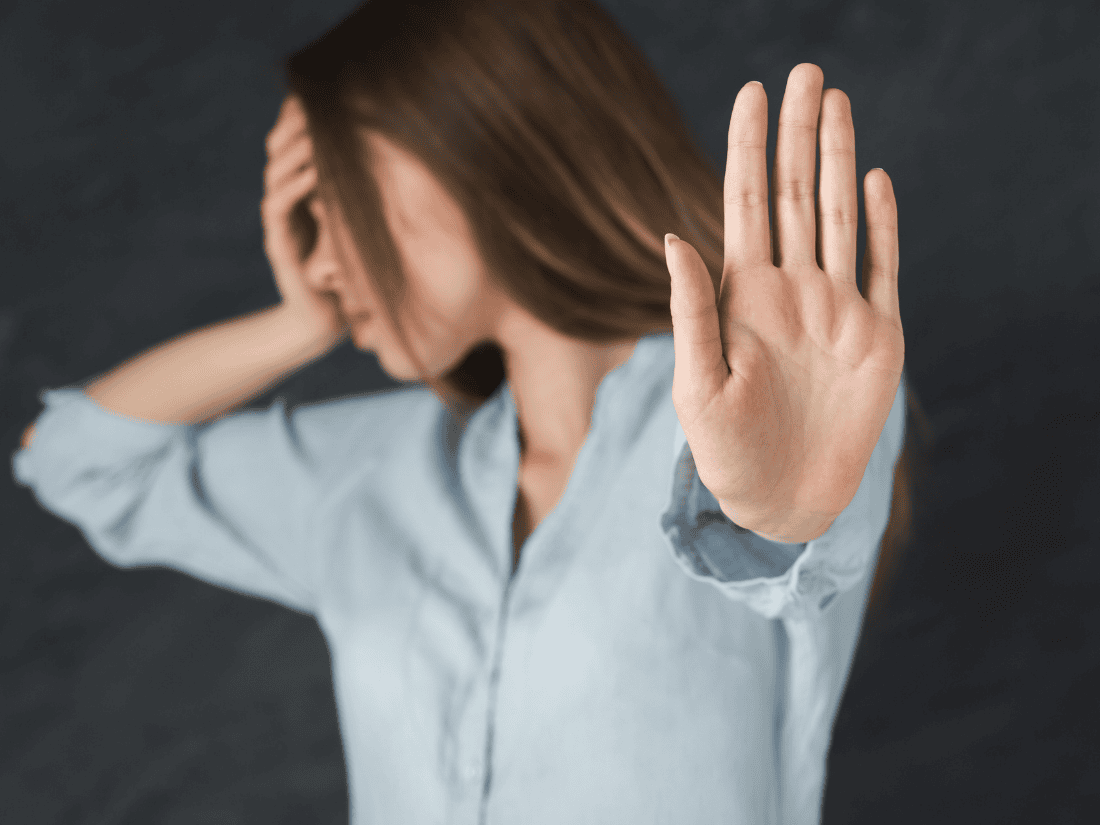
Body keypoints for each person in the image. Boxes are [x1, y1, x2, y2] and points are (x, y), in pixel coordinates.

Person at [13, 1, 934, 822]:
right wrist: (298, 325)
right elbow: (74, 458)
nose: (321, 258)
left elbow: (794, 535)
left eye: (336, 196)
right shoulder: (371, 472)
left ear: (483, 149)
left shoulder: (772, 407)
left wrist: (771, 518)